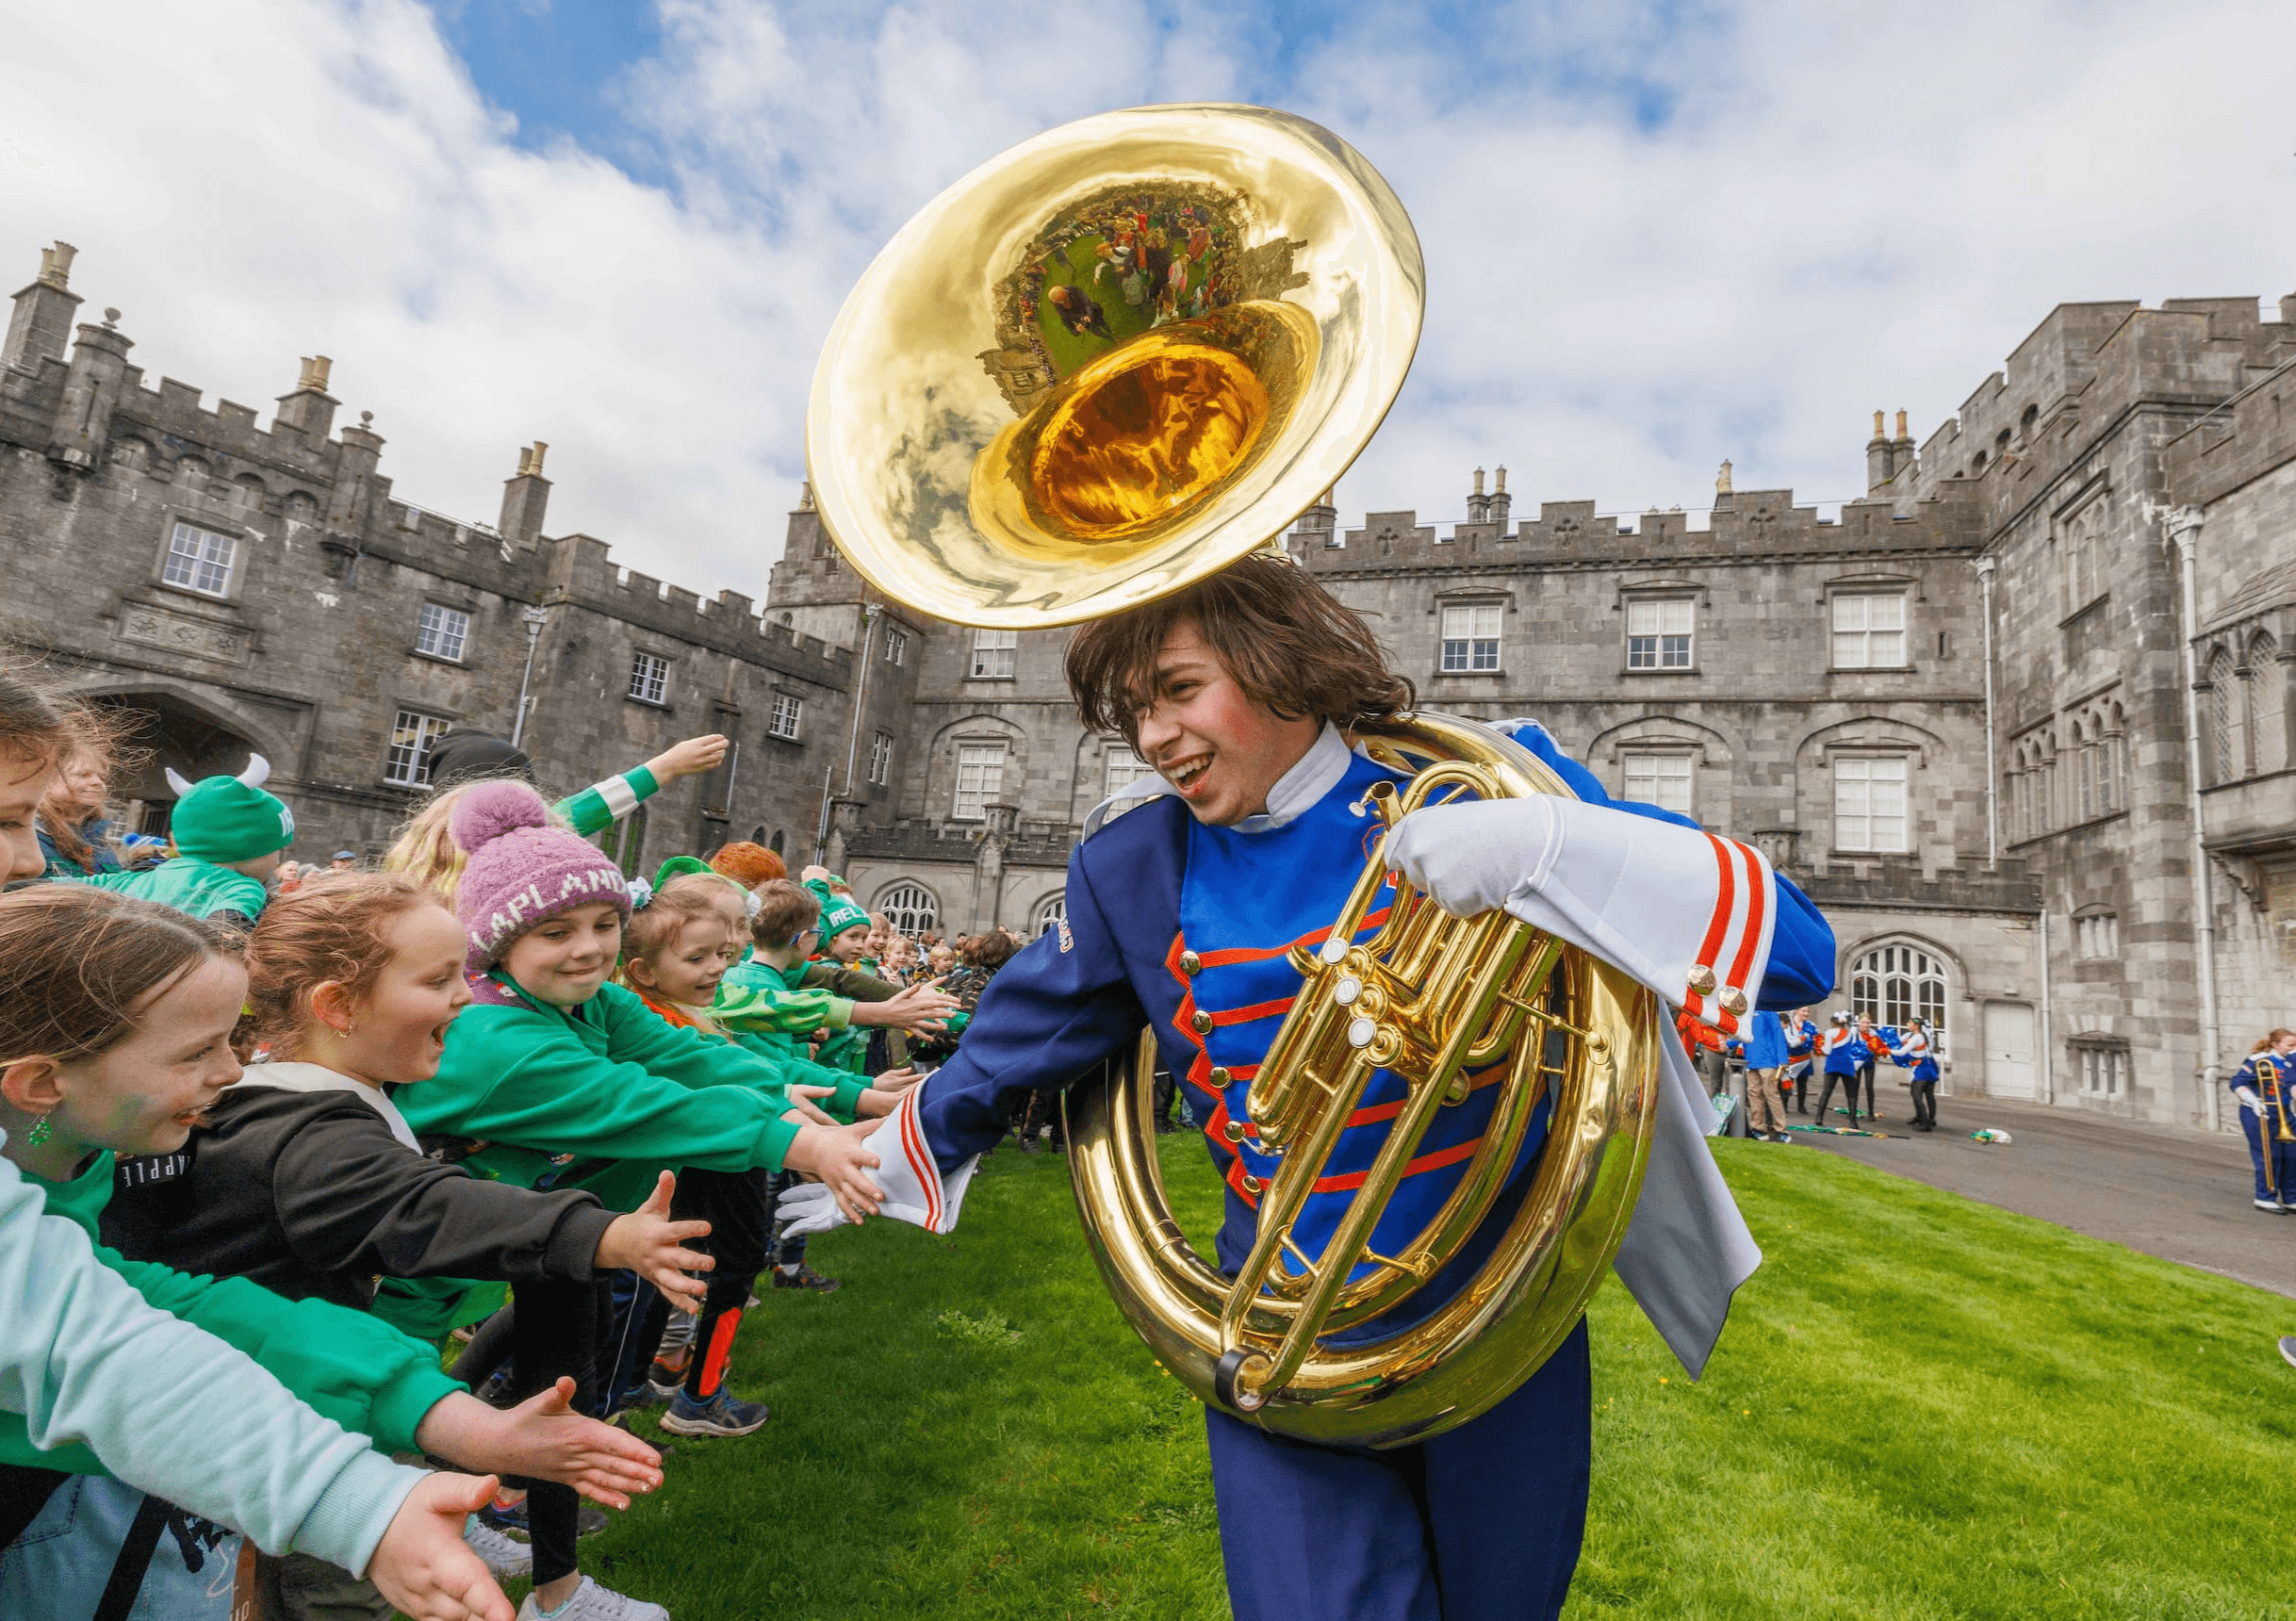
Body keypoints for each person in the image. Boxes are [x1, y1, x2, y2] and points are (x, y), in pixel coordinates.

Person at [778, 556, 1833, 1621]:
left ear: (1280, 664)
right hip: (1287, 1336)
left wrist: (1547, 845)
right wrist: (872, 1149)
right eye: (1135, 712)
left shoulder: (1502, 789)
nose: (1153, 739)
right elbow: (1017, 1041)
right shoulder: (1132, 863)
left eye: (1180, 691)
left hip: (1507, 1330)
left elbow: (1797, 954)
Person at [0, 885, 659, 1619]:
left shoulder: (67, 1156)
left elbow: (163, 1304)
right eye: (196, 1052)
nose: (229, 1072)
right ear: (38, 1084)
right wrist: (356, 1502)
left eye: (232, 1039)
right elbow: (95, 1350)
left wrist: (442, 1415)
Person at [372, 781, 886, 1613]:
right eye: (556, 932)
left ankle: (507, 1555)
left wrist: (850, 1103)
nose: (589, 950)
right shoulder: (499, 1039)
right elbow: (641, 1103)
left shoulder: (585, 1000)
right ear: (498, 941)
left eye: (605, 925)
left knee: (438, 1406)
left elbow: (692, 1058)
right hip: (379, 1278)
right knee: (362, 1435)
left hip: (463, 1260)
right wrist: (799, 1141)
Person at [384, 732, 730, 903]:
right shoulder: (522, 836)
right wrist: (665, 766)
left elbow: (588, 807)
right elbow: (589, 807)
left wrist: (667, 766)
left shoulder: (407, 865)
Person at [79, 755, 293, 927]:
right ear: (246, 848)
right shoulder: (242, 888)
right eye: (276, 850)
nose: (276, 862)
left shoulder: (138, 878)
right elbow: (222, 936)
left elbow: (53, 887)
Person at [33, 714, 129, 880]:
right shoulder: (31, 836)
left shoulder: (95, 837)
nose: (98, 783)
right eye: (83, 775)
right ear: (45, 780)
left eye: (102, 777)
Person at [2232, 1030, 2296, 1213]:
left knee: (2292, 1155)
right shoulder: (2259, 1060)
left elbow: (2291, 1087)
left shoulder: (2291, 1062)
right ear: (2275, 1045)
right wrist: (2254, 1102)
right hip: (2259, 1112)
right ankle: (2264, 1197)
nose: (2294, 1049)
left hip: (2283, 1112)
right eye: (2290, 1045)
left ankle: (2291, 1198)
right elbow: (2237, 1083)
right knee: (2270, 1156)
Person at [1739, 1007, 1793, 1142]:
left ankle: (1781, 1129)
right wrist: (1727, 1043)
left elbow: (1778, 1033)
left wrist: (1782, 1059)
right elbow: (1741, 1031)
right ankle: (1758, 1128)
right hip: (1751, 1060)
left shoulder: (1769, 1010)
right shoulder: (1747, 1009)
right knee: (1754, 1094)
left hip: (1768, 1061)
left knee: (1770, 1094)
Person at [1893, 1016, 1942, 1133]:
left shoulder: (1918, 1037)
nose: (1907, 1024)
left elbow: (1902, 1051)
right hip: (1924, 1066)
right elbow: (1898, 1040)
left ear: (1917, 1026)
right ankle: (1922, 1118)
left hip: (1924, 1067)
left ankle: (1927, 1122)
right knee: (1919, 1093)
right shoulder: (1913, 1036)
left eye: (1910, 1023)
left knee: (1918, 1094)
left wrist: (1885, 1050)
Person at [1815, 1012, 1864, 1126]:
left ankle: (1819, 1118)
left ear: (1833, 1023)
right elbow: (1856, 1044)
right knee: (1851, 1094)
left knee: (1826, 1092)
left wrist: (1820, 1047)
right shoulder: (1851, 1032)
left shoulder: (1829, 1033)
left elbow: (1827, 1051)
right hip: (1847, 1064)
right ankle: (1853, 1122)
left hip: (1832, 1064)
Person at [1783, 1007, 1818, 1114]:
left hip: (1805, 1059)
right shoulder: (1788, 1024)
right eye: (1803, 1011)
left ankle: (1801, 1106)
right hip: (1791, 1058)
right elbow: (1790, 1042)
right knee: (1787, 1082)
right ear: (1797, 1011)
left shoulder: (1811, 1025)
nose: (1806, 1013)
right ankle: (1784, 1105)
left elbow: (1815, 1040)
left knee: (1803, 1083)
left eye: (1808, 1011)